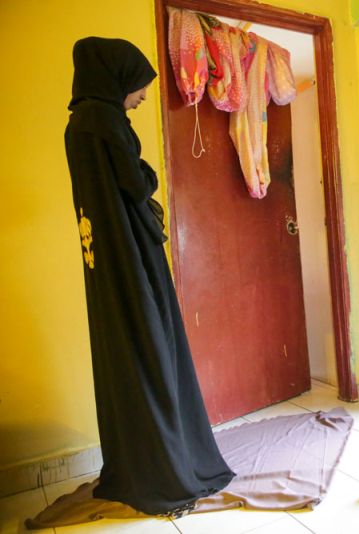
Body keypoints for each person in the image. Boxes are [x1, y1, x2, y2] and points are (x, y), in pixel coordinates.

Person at [65, 37, 234, 515]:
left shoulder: (77, 125)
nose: (140, 97)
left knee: (126, 354)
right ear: (115, 77)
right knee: (155, 349)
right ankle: (171, 468)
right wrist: (151, 177)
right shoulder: (106, 120)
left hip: (105, 260)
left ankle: (138, 465)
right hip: (133, 254)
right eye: (137, 87)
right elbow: (136, 183)